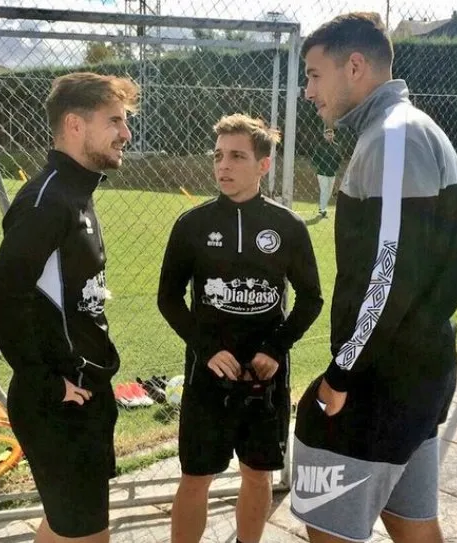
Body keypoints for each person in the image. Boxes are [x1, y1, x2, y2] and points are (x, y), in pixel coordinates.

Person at [290, 12, 457, 543]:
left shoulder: (393, 137)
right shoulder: (396, 131)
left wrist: (341, 374)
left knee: (328, 527)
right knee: (412, 524)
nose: (308, 91)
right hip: (411, 370)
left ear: (356, 66)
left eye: (315, 75)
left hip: (381, 379)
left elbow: (387, 275)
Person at [0, 72, 138, 543]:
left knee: (63, 527)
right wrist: (50, 384)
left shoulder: (77, 193)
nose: (126, 133)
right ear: (75, 124)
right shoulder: (47, 200)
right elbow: (2, 298)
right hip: (61, 406)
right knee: (88, 535)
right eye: (114, 120)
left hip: (85, 392)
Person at [158, 113, 324, 543]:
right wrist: (207, 348)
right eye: (218, 156)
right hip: (208, 373)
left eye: (236, 156)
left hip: (265, 375)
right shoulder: (191, 225)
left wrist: (275, 348)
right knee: (196, 475)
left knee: (257, 473)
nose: (223, 166)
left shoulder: (287, 226)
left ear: (263, 166)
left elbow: (311, 299)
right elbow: (169, 299)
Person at [309, 128, 342, 219]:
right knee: (324, 190)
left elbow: (339, 158)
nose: (330, 136)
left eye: (331, 134)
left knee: (329, 191)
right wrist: (320, 166)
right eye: (328, 135)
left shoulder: (336, 146)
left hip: (332, 172)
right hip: (322, 172)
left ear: (333, 135)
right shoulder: (320, 146)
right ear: (324, 136)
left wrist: (335, 167)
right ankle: (322, 209)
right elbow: (314, 159)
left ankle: (323, 207)